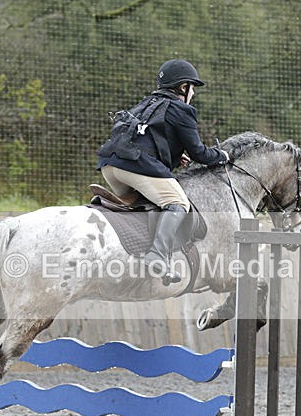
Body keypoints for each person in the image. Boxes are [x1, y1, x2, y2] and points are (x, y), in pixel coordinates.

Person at [97, 59, 229, 284]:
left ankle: (134, 248)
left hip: (110, 166)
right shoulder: (182, 110)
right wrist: (222, 155)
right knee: (177, 203)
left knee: (149, 203)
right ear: (183, 87)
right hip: (134, 166)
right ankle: (157, 255)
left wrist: (176, 156)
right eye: (192, 88)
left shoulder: (146, 103)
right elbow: (199, 153)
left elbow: (148, 139)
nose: (193, 94)